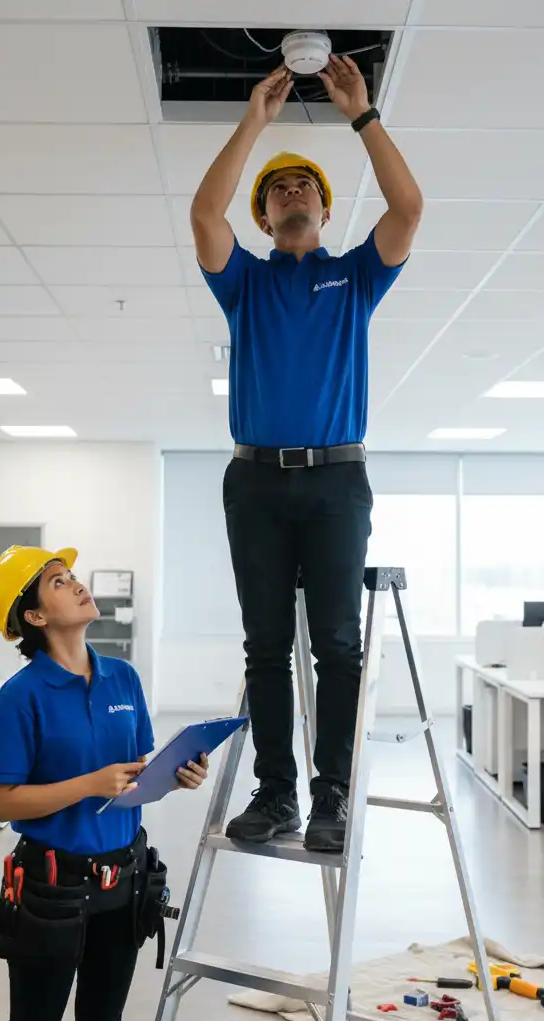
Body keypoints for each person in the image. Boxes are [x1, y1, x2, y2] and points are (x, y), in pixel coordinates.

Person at [191, 57, 423, 853]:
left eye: (305, 188)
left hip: (336, 482)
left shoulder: (356, 277)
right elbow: (202, 214)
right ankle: (277, 793)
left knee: (336, 645)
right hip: (253, 480)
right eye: (277, 191)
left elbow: (409, 206)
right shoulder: (245, 284)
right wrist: (254, 120)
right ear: (264, 218)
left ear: (326, 209)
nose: (291, 194)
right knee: (265, 645)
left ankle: (332, 797)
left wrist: (362, 115)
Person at [0, 545, 209, 1021]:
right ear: (35, 615)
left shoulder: (122, 678)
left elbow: (135, 772)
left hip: (124, 881)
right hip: (52, 890)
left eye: (73, 576)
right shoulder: (18, 698)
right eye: (58, 582)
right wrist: (88, 784)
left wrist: (174, 777)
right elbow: (4, 803)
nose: (78, 585)